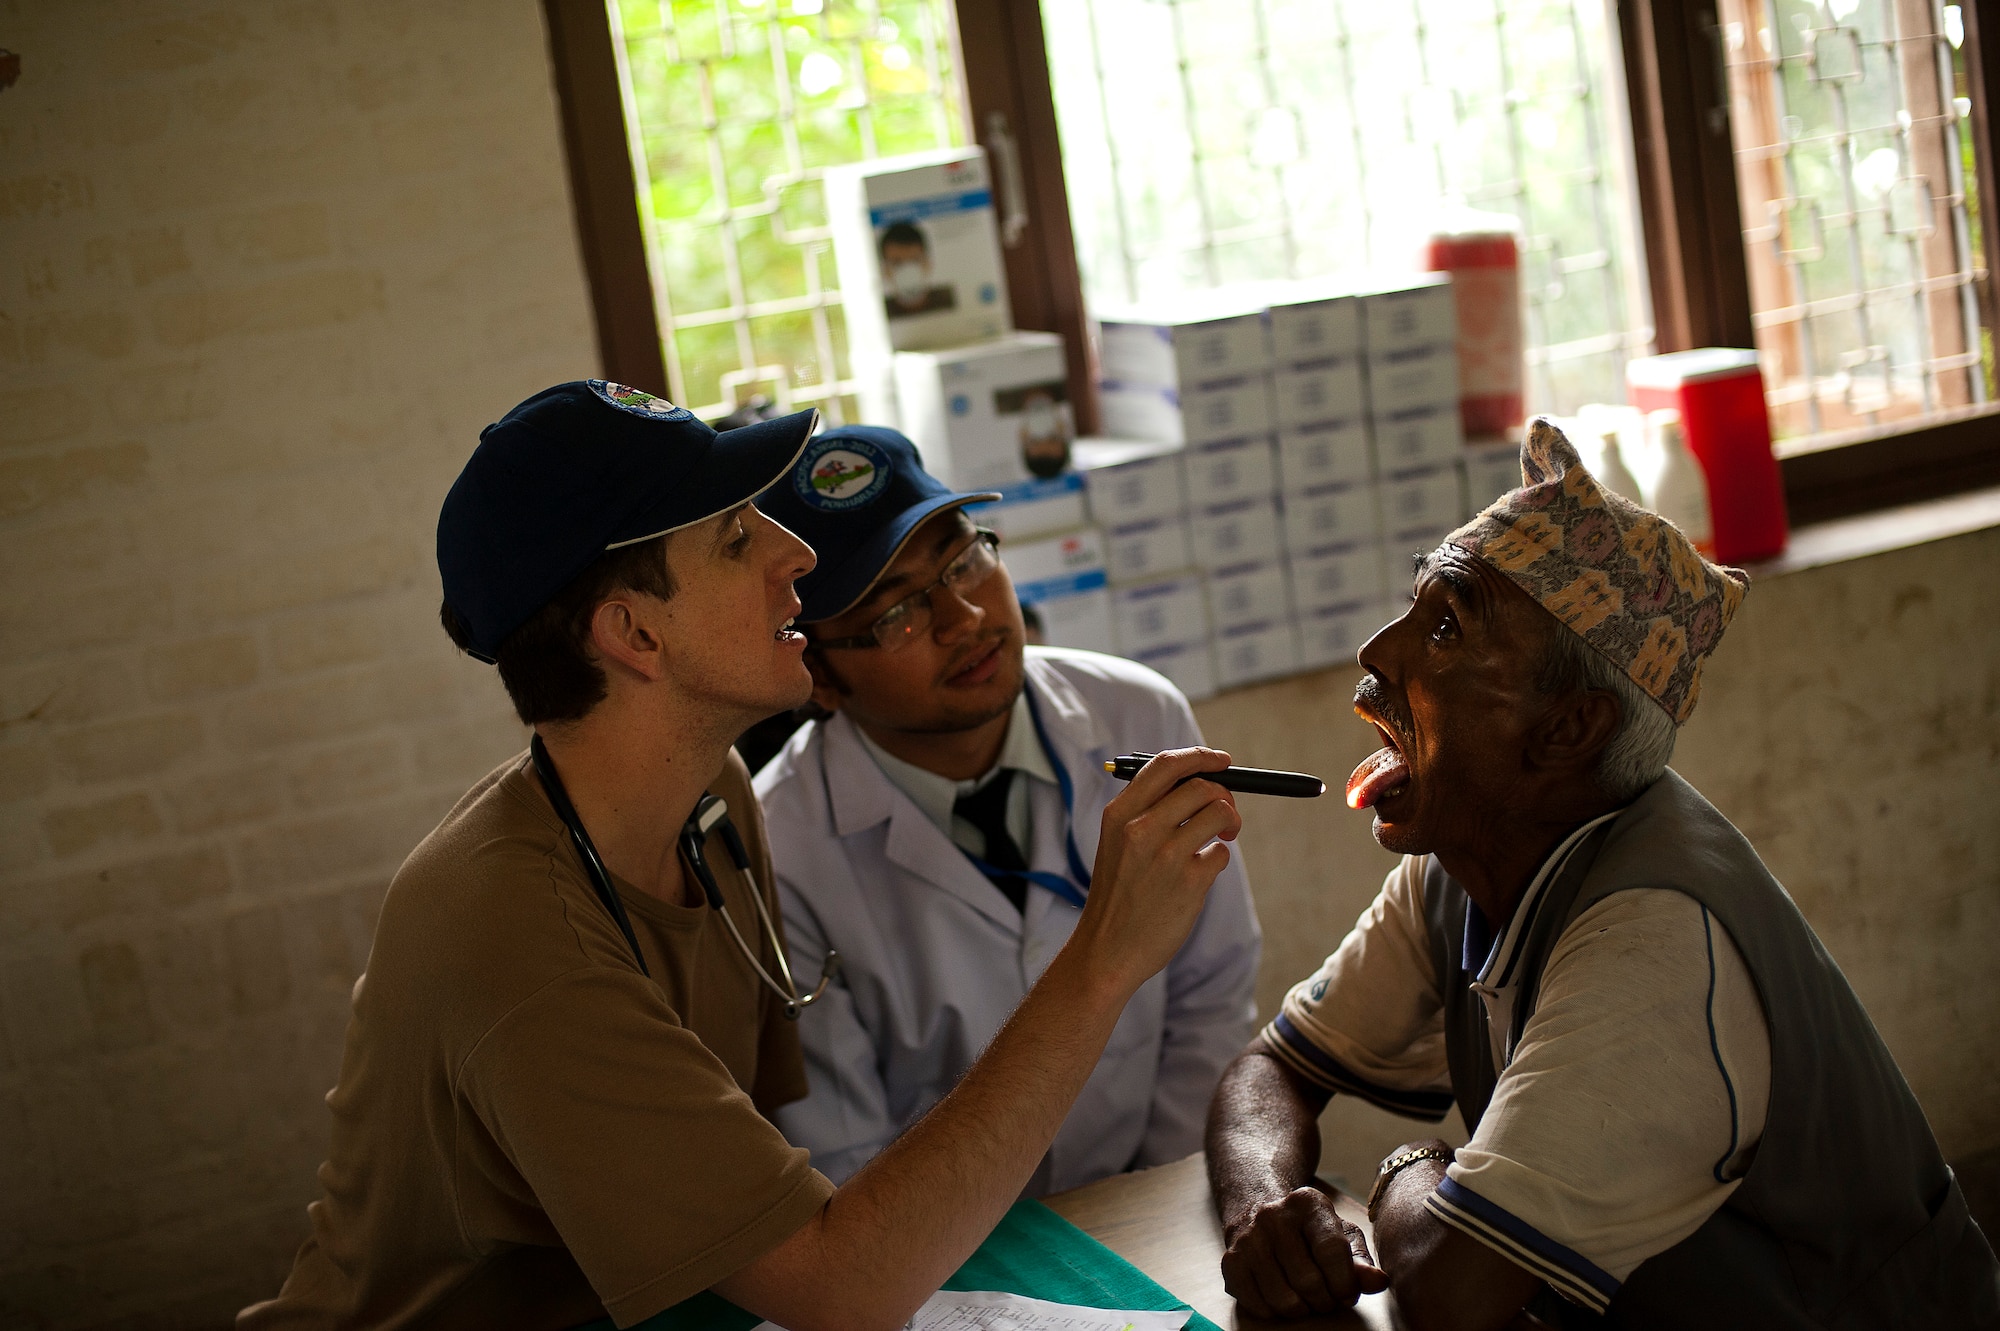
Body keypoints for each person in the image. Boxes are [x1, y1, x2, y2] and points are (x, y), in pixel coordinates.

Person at [239, 381, 1245, 1331]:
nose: (794, 556)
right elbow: (837, 1279)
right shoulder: (513, 939)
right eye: (733, 537)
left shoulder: (709, 802)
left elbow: (771, 1172)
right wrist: (1103, 957)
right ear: (634, 632)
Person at [1204, 419, 2000, 1330]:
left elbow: (1447, 1291)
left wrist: (1408, 1169)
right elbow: (1271, 1068)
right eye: (1414, 607)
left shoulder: (1656, 945)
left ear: (1567, 730)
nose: (1378, 653)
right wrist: (1262, 1205)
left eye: (1447, 627)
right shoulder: (1470, 859)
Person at [751, 425, 1261, 1193]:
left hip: (1160, 1194)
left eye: (965, 561)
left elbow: (1212, 987)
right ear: (816, 673)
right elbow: (845, 1153)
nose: (965, 618)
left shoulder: (1138, 716)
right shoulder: (780, 851)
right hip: (946, 1268)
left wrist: (1155, 1202)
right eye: (896, 614)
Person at [878, 220, 953, 317]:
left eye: (915, 261)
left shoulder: (947, 300)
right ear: (885, 270)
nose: (907, 271)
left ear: (927, 263)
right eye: (897, 263)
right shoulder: (876, 315)